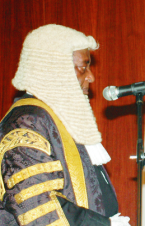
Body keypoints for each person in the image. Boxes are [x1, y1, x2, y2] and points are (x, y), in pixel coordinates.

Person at [0, 24, 130, 225]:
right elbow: (36, 204)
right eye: (83, 68)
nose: (91, 77)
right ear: (55, 70)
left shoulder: (55, 118)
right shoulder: (26, 123)